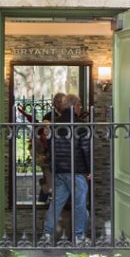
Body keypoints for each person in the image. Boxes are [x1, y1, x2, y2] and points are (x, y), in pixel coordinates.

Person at [43, 93, 92, 243]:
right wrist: (90, 169)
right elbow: (86, 149)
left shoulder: (54, 124)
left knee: (56, 204)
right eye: (80, 105)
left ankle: (47, 234)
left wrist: (53, 166)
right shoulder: (81, 125)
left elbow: (50, 148)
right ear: (75, 106)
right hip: (76, 171)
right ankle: (79, 236)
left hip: (59, 171)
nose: (81, 108)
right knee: (80, 205)